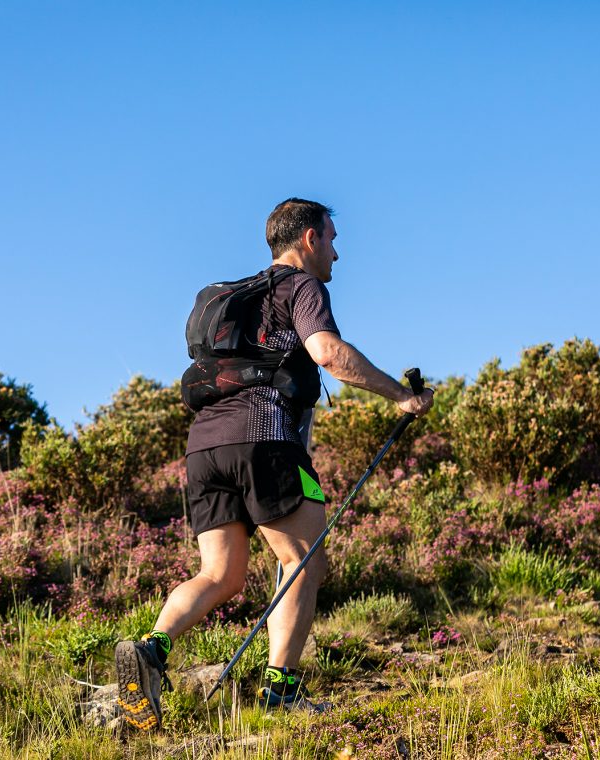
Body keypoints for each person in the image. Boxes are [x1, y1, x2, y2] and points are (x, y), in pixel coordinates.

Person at [114, 198, 434, 731]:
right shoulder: (301, 287)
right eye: (332, 238)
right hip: (263, 441)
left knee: (220, 574)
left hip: (204, 449)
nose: (337, 251)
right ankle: (281, 690)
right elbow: (328, 352)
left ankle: (150, 651)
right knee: (303, 562)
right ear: (308, 239)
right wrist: (400, 395)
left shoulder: (236, 297)